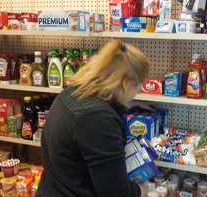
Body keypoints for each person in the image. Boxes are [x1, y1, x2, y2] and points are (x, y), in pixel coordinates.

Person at [37, 40, 150, 197]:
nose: (136, 94)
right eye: (138, 87)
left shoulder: (71, 93)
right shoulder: (98, 118)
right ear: (125, 83)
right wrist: (142, 190)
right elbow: (116, 194)